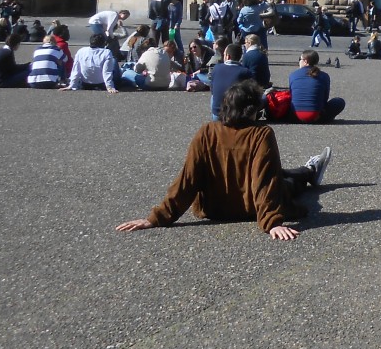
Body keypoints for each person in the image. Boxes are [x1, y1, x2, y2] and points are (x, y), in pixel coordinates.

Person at [116, 80, 330, 241]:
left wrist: (157, 218)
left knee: (280, 174)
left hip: (214, 209)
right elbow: (265, 179)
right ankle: (309, 171)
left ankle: (308, 170)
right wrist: (271, 222)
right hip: (252, 209)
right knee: (285, 182)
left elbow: (187, 179)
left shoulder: (207, 131)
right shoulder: (261, 134)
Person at [289, 50, 346, 123]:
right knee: (339, 101)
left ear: (305, 61)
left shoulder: (293, 75)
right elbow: (325, 98)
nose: (299, 61)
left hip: (296, 116)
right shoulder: (324, 76)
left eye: (300, 59)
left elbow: (292, 95)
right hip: (316, 116)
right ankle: (324, 118)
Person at [210, 41, 255, 119]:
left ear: (228, 56)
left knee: (213, 97)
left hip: (218, 112)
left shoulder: (216, 68)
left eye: (224, 54)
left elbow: (212, 90)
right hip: (236, 114)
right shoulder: (245, 72)